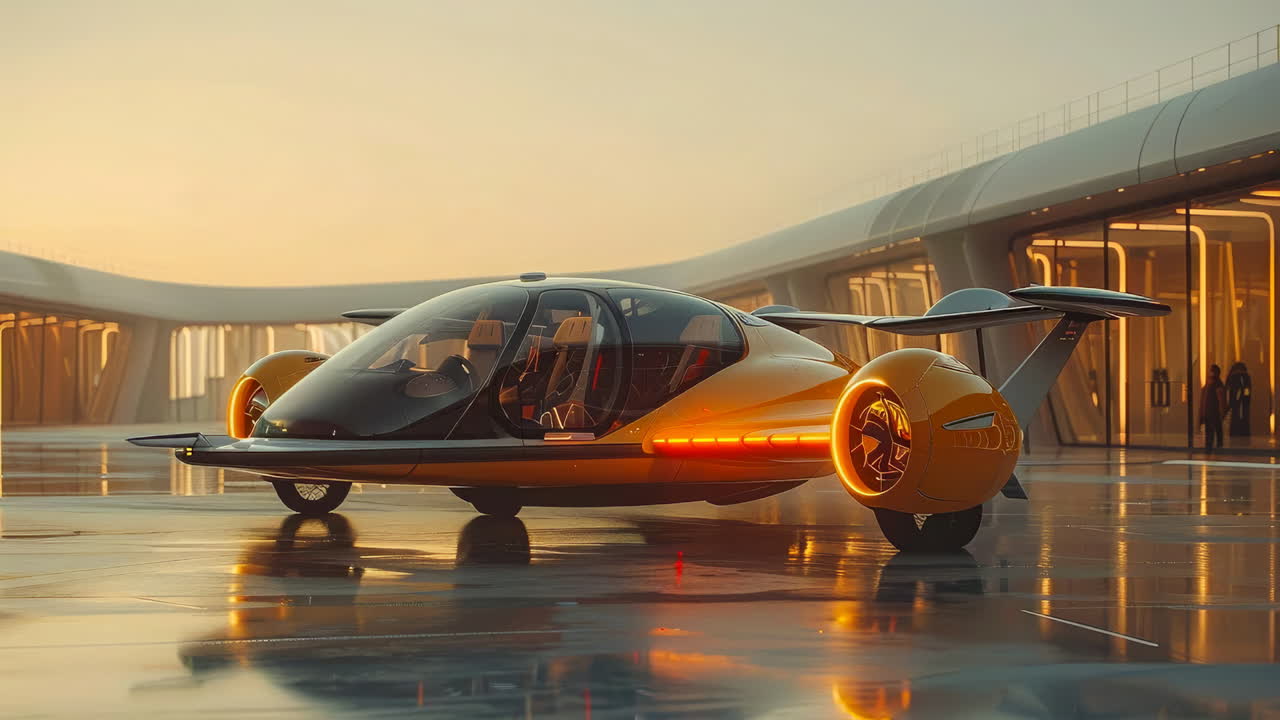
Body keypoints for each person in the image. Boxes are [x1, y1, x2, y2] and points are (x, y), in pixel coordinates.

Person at [1199, 364, 1227, 451]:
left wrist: (1222, 411)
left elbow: (1220, 399)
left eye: (1211, 371)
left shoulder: (1215, 384)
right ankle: (1213, 447)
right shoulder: (1212, 384)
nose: (1210, 373)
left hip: (1213, 412)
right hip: (1211, 412)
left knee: (1215, 431)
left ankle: (1214, 447)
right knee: (1213, 431)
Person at [1226, 362, 1252, 437]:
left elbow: (1229, 389)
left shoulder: (1233, 376)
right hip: (1241, 401)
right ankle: (1243, 432)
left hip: (1236, 401)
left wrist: (1232, 401)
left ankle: (1235, 432)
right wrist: (1246, 398)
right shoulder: (1245, 376)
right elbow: (1247, 389)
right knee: (1243, 416)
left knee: (1235, 416)